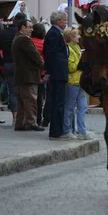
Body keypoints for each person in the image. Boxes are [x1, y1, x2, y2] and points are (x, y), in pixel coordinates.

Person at [11, 19, 45, 131]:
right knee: (31, 99)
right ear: (23, 27)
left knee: (22, 101)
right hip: (28, 75)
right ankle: (31, 122)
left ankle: (20, 123)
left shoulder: (17, 38)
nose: (31, 29)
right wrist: (43, 65)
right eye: (29, 27)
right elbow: (34, 55)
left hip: (22, 75)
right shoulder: (24, 40)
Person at [0, 12, 27, 125]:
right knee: (22, 90)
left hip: (7, 63)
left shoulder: (2, 34)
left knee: (12, 91)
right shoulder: (21, 35)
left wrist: (1, 62)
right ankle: (22, 118)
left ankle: (15, 117)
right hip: (20, 64)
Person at [43, 10, 71, 141]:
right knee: (57, 102)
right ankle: (56, 132)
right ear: (58, 21)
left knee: (59, 102)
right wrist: (50, 72)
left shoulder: (57, 33)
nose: (66, 22)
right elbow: (51, 55)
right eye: (64, 20)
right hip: (57, 73)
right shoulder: (53, 34)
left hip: (59, 73)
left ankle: (58, 130)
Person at [64, 26, 91, 140]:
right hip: (72, 81)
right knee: (69, 108)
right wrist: (81, 63)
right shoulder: (69, 49)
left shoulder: (77, 48)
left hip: (80, 81)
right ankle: (66, 130)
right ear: (71, 37)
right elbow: (70, 67)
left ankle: (82, 132)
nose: (79, 37)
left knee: (83, 107)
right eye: (77, 35)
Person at [31, 23, 47, 127]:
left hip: (30, 72)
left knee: (30, 97)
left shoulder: (29, 41)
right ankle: (39, 119)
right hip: (41, 73)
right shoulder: (43, 43)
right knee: (39, 97)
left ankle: (30, 118)